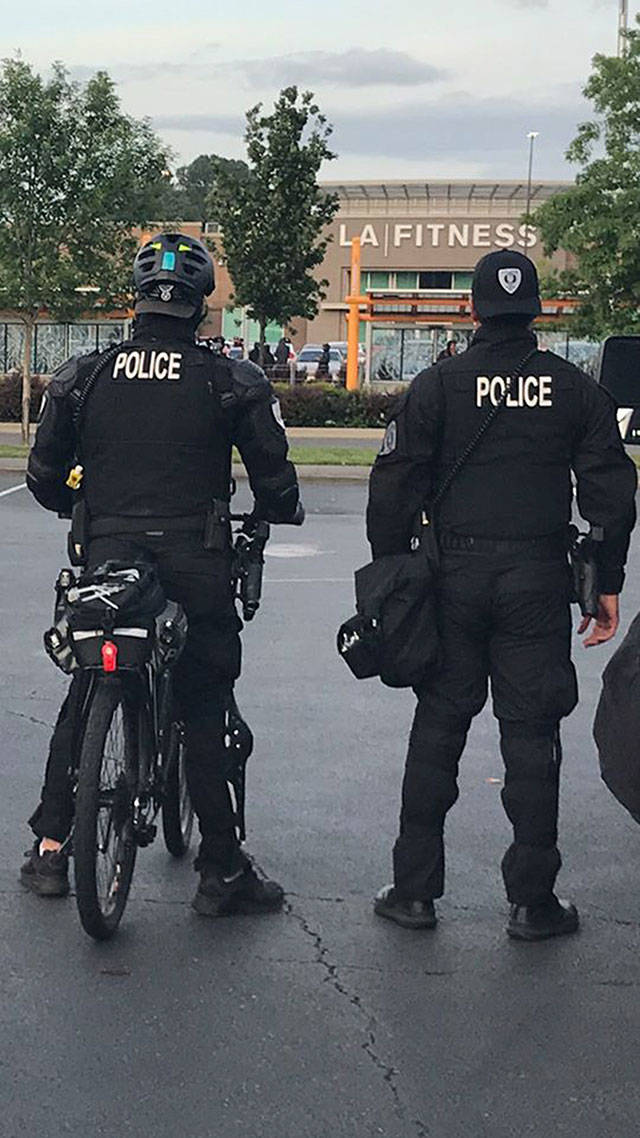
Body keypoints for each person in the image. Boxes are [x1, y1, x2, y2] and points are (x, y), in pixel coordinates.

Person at [21, 232, 303, 917]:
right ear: (201, 305)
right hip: (194, 558)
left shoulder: (84, 376)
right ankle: (221, 870)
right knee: (204, 703)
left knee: (88, 686)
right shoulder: (230, 379)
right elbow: (275, 480)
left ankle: (52, 850)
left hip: (108, 555)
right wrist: (271, 514)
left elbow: (43, 476)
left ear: (137, 300)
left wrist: (76, 505)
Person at [366, 249, 637, 941]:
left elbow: (392, 486)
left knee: (437, 732)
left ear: (473, 309)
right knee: (531, 736)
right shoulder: (573, 389)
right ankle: (532, 903)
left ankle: (414, 891)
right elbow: (611, 491)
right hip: (537, 582)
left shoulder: (437, 385)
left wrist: (395, 575)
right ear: (537, 310)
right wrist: (605, 584)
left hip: (451, 577)